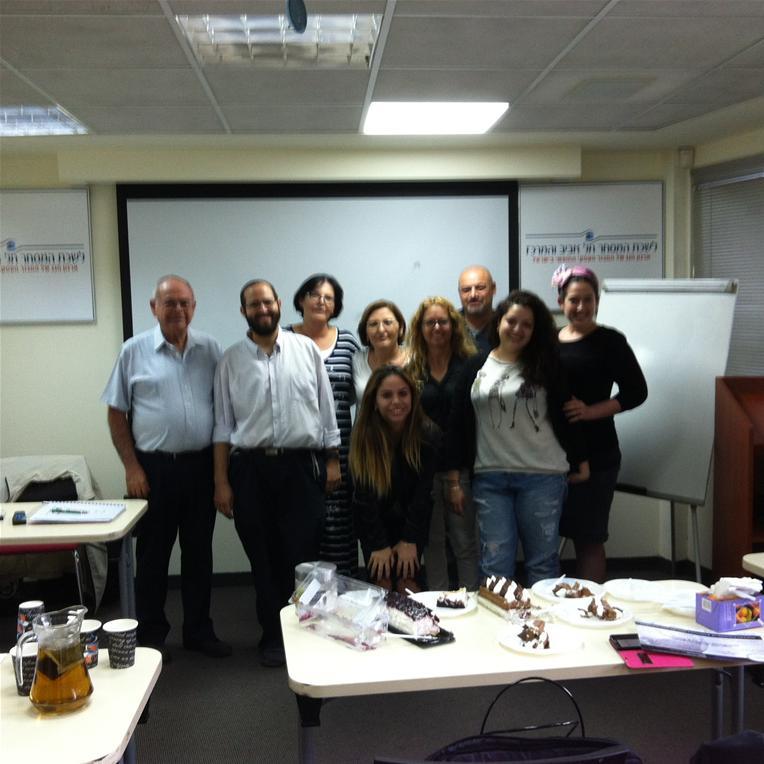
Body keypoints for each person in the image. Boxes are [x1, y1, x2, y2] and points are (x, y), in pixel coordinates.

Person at [102, 274, 231, 659]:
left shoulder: (211, 349)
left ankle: (199, 631)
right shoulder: (133, 351)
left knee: (199, 554)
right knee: (153, 557)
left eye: (183, 303)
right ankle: (151, 636)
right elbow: (116, 413)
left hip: (200, 467)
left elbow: (222, 411)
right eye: (169, 302)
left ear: (194, 307)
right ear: (153, 307)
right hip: (153, 470)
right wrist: (131, 467)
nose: (177, 309)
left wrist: (219, 476)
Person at [213, 279, 340, 667]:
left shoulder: (306, 350)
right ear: (244, 311)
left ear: (280, 304)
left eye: (267, 302)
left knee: (303, 556)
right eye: (254, 305)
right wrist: (221, 481)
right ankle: (273, 636)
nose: (262, 309)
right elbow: (222, 426)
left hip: (301, 466)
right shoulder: (230, 360)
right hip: (250, 470)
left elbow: (326, 409)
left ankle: (306, 631)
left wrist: (333, 461)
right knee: (264, 558)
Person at [446, 290, 589, 586]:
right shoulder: (475, 366)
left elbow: (567, 415)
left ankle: (542, 618)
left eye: (527, 324)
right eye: (512, 321)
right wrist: (454, 479)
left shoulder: (547, 365)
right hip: (490, 478)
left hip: (542, 477)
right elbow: (457, 425)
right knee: (494, 567)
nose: (518, 329)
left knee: (542, 565)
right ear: (499, 322)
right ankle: (498, 619)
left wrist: (581, 461)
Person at [552, 265, 648, 583]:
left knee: (589, 540)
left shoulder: (610, 341)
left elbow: (636, 392)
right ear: (561, 301)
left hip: (598, 455)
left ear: (597, 302)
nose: (580, 307)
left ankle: (591, 606)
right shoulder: (549, 342)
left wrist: (590, 411)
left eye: (588, 299)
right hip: (552, 455)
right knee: (545, 539)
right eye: (573, 300)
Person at [286, 273, 360, 575]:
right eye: (315, 295)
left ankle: (343, 594)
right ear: (301, 300)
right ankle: (301, 599)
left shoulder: (348, 342)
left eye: (329, 297)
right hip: (296, 455)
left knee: (338, 531)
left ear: (336, 306)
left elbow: (356, 393)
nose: (321, 301)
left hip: (339, 452)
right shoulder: (283, 339)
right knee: (299, 532)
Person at [406, 296, 480, 591]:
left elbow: (465, 424)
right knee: (432, 544)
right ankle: (439, 607)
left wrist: (454, 479)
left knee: (464, 542)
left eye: (442, 321)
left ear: (454, 325)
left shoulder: (470, 365)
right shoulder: (412, 368)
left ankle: (472, 602)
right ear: (420, 328)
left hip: (460, 470)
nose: (437, 327)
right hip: (423, 471)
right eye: (430, 322)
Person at [350, 366, 439, 593]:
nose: (396, 401)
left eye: (403, 393)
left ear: (412, 397)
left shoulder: (428, 434)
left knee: (408, 586)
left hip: (412, 520)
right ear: (375, 401)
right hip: (373, 523)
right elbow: (364, 500)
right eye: (387, 395)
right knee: (382, 585)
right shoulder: (364, 436)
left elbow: (423, 496)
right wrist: (378, 545)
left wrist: (410, 539)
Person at [352, 299, 408, 403]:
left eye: (388, 322)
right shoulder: (356, 361)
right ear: (366, 333)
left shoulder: (415, 361)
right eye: (373, 324)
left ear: (400, 328)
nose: (381, 330)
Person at [458, 265, 497, 353]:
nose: (473, 295)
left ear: (493, 289)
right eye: (466, 290)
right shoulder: (449, 327)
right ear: (459, 293)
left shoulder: (504, 327)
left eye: (480, 288)